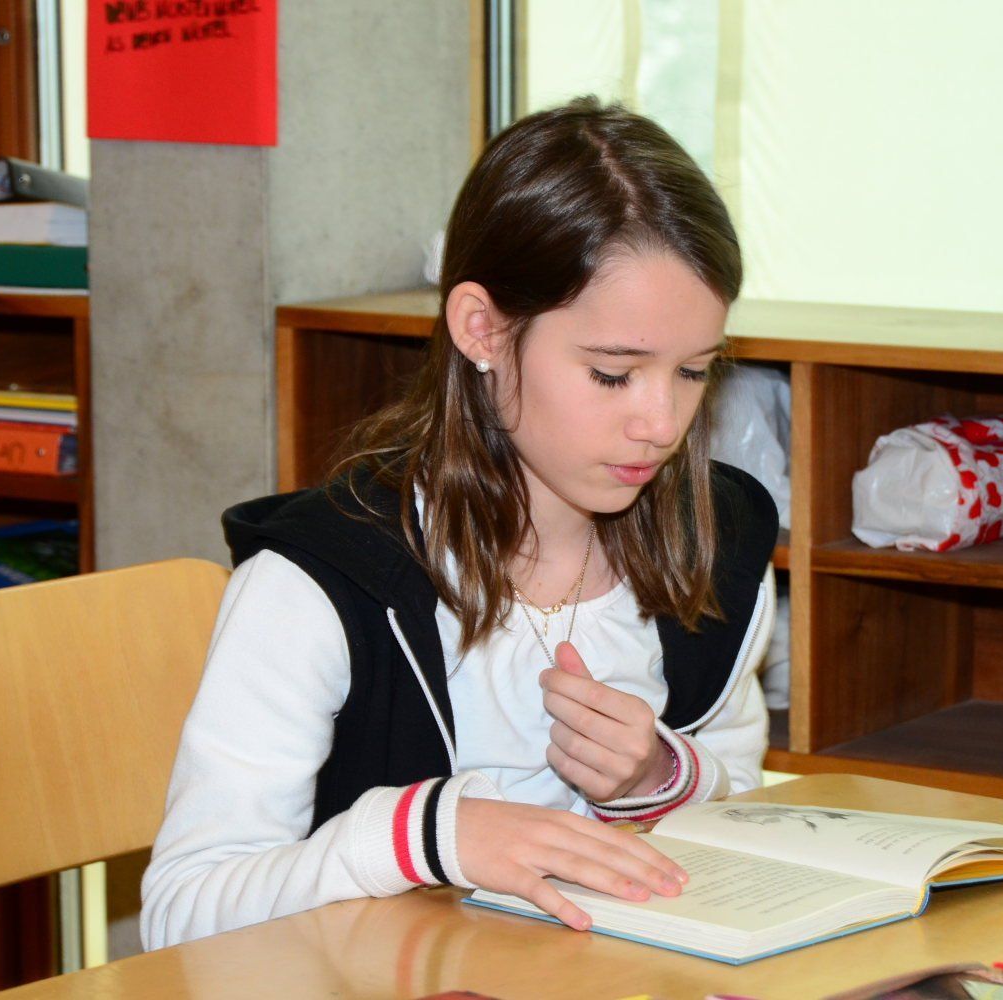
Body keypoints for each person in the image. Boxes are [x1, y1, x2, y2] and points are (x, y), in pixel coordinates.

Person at [141, 96, 778, 951]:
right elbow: (180, 914)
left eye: (694, 371)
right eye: (611, 374)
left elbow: (744, 802)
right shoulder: (321, 583)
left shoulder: (714, 536)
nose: (661, 424)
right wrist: (424, 837)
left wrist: (663, 776)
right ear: (483, 329)